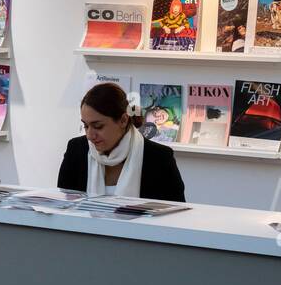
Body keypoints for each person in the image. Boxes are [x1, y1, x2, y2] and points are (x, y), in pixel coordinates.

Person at [57, 82, 185, 202]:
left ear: (123, 120)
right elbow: (62, 208)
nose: (90, 135)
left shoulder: (159, 158)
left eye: (98, 126)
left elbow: (175, 218)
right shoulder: (76, 150)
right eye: (86, 126)